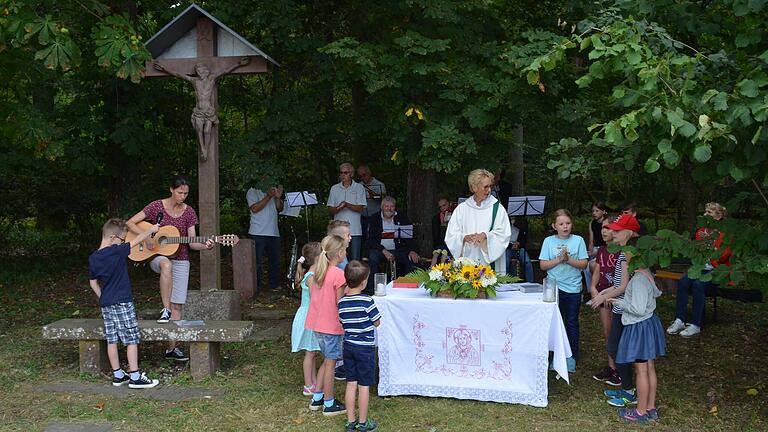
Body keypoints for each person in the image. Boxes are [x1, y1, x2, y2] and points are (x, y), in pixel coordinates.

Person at [127, 175, 214, 361]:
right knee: (166, 264)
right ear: (171, 190)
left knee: (178, 305)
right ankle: (164, 310)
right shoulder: (156, 206)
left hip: (181, 258)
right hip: (156, 255)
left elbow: (192, 242)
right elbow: (129, 223)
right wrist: (147, 237)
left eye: (186, 193)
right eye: (180, 192)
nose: (183, 196)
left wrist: (205, 245)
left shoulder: (189, 212)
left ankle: (171, 349)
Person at [88, 218, 160, 389]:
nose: (123, 243)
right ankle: (135, 377)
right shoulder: (117, 251)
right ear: (113, 237)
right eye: (122, 239)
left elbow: (93, 283)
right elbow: (139, 239)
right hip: (122, 301)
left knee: (112, 339)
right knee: (131, 338)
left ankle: (118, 375)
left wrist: (103, 297)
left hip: (106, 303)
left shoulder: (93, 258)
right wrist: (153, 229)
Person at [153, 58, 250, 161]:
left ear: (206, 71)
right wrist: (164, 69)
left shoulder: (212, 79)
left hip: (208, 110)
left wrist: (238, 64)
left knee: (207, 130)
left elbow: (225, 71)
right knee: (199, 129)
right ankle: (203, 149)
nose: (200, 73)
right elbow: (178, 74)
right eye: (198, 71)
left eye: (201, 70)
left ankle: (206, 150)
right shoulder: (195, 81)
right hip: (199, 111)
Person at [591, 213, 640, 407]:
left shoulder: (629, 252)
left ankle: (629, 391)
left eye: (617, 230)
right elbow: (619, 283)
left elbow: (624, 285)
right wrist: (602, 294)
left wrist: (603, 296)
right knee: (615, 347)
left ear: (629, 232)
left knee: (617, 348)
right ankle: (627, 388)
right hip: (620, 305)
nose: (613, 233)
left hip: (626, 308)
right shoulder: (622, 250)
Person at [608, 267, 666, 423]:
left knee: (641, 370)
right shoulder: (646, 274)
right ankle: (650, 407)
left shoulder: (638, 279)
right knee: (649, 368)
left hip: (639, 328)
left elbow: (638, 309)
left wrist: (620, 303)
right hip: (648, 324)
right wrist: (617, 300)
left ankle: (640, 412)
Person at [667, 202, 731, 337]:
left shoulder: (725, 234)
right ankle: (679, 320)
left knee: (698, 284)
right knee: (683, 281)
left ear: (718, 217)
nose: (705, 214)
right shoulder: (700, 232)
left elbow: (724, 255)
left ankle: (696, 324)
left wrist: (708, 246)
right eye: (705, 212)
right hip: (701, 268)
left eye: (709, 212)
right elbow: (696, 254)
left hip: (717, 270)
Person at [539, 209, 589, 372]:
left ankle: (571, 356)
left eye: (568, 223)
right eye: (561, 224)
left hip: (573, 288)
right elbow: (543, 265)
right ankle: (553, 356)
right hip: (553, 289)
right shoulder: (548, 241)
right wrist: (559, 259)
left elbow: (584, 264)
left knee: (571, 322)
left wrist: (569, 260)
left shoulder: (578, 240)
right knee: (553, 323)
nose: (565, 227)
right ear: (554, 226)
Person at [305, 235, 348, 416]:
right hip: (331, 325)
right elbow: (339, 302)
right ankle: (329, 403)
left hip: (317, 324)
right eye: (345, 249)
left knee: (326, 361)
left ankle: (317, 397)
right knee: (331, 364)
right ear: (339, 253)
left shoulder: (317, 273)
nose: (346, 252)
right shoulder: (338, 274)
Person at [339, 261, 382, 432]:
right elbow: (377, 322)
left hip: (348, 346)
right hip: (365, 348)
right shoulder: (367, 301)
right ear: (364, 282)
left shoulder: (341, 302)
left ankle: (350, 421)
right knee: (364, 385)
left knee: (351, 383)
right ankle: (363, 423)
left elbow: (343, 322)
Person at [445, 169, 512, 273]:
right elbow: (451, 234)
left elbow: (504, 233)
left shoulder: (497, 208)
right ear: (474, 188)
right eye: (486, 187)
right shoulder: (462, 208)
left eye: (490, 186)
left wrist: (485, 236)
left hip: (490, 265)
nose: (489, 190)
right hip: (467, 264)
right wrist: (464, 238)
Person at [590, 217, 622, 386]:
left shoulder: (622, 252)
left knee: (618, 333)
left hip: (616, 296)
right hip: (602, 294)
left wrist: (611, 296)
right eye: (603, 227)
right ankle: (612, 367)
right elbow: (597, 270)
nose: (604, 231)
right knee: (607, 332)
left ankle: (621, 369)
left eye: (608, 228)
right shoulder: (602, 250)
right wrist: (593, 288)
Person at [366, 196, 420, 293]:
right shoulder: (375, 218)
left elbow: (410, 237)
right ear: (382, 207)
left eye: (392, 206)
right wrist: (384, 251)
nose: (389, 209)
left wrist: (412, 251)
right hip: (380, 249)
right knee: (373, 259)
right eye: (386, 206)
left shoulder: (401, 217)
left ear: (395, 207)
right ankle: (373, 289)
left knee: (411, 260)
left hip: (398, 249)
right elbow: (371, 240)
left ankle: (408, 289)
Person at [291, 242, 322, 396]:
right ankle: (308, 385)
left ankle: (314, 381)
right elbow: (315, 299)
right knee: (310, 352)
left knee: (313, 351)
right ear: (318, 258)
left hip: (313, 315)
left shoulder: (313, 275)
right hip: (310, 316)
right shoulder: (311, 276)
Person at [246, 184, 284, 293]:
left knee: (274, 261)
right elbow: (254, 208)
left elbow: (280, 208)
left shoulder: (273, 190)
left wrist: (277, 197)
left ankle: (274, 285)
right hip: (257, 232)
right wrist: (268, 196)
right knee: (257, 262)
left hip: (273, 232)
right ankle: (256, 287)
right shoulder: (252, 190)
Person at [327, 163, 367, 260]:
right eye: (341, 173)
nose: (342, 175)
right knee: (338, 259)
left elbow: (361, 208)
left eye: (345, 172)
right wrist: (338, 208)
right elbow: (330, 209)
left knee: (355, 259)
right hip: (338, 230)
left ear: (351, 174)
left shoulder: (359, 188)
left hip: (355, 230)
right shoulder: (334, 188)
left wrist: (347, 205)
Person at [357, 164, 386, 252]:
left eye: (364, 175)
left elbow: (384, 199)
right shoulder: (358, 186)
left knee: (373, 237)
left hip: (375, 217)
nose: (362, 177)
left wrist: (375, 195)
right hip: (362, 217)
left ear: (369, 173)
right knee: (362, 237)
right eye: (360, 176)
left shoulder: (379, 184)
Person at [585, 202, 610, 290]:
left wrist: (597, 252)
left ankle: (597, 288)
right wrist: (590, 252)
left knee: (591, 266)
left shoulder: (607, 222)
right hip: (596, 248)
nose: (594, 213)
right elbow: (591, 241)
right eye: (593, 211)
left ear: (603, 211)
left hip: (605, 249)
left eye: (597, 211)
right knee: (585, 266)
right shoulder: (592, 223)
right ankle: (590, 290)